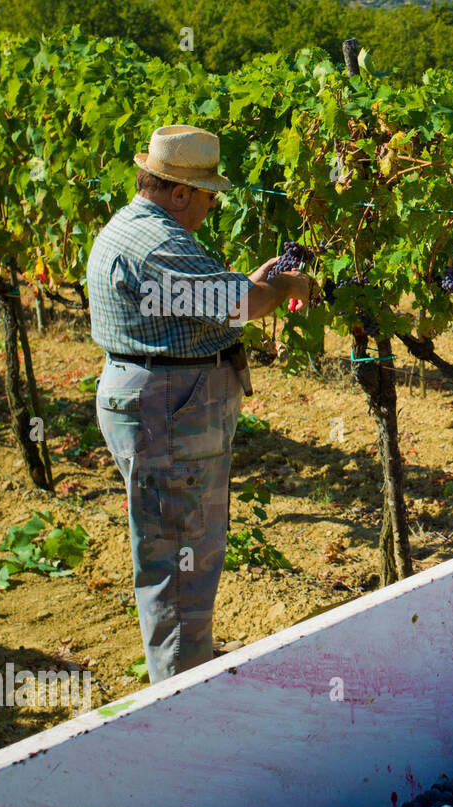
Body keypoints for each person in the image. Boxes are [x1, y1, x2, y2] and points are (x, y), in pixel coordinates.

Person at [87, 124, 311, 683]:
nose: (211, 208)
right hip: (171, 414)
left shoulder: (131, 229)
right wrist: (283, 289)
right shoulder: (161, 245)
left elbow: (212, 300)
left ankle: (182, 667)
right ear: (180, 192)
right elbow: (238, 304)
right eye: (210, 196)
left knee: (170, 550)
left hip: (150, 402)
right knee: (183, 560)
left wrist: (257, 283)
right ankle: (182, 696)